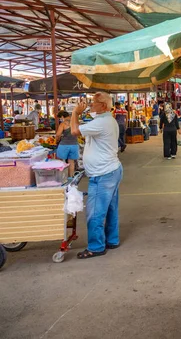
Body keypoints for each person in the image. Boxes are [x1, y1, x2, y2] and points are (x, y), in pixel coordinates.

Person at [70, 92, 122, 259]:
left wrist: (75, 112)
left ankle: (96, 246)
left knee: (95, 212)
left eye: (93, 103)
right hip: (111, 170)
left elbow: (74, 130)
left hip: (103, 174)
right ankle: (112, 240)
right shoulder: (106, 120)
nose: (90, 105)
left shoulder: (102, 122)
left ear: (103, 106)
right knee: (111, 208)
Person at [55, 111, 80, 177]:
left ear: (62, 117)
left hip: (64, 145)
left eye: (60, 118)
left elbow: (58, 135)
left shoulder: (63, 124)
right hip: (74, 144)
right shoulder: (75, 123)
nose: (61, 119)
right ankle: (70, 178)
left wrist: (57, 140)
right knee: (71, 162)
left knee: (60, 161)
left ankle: (61, 177)